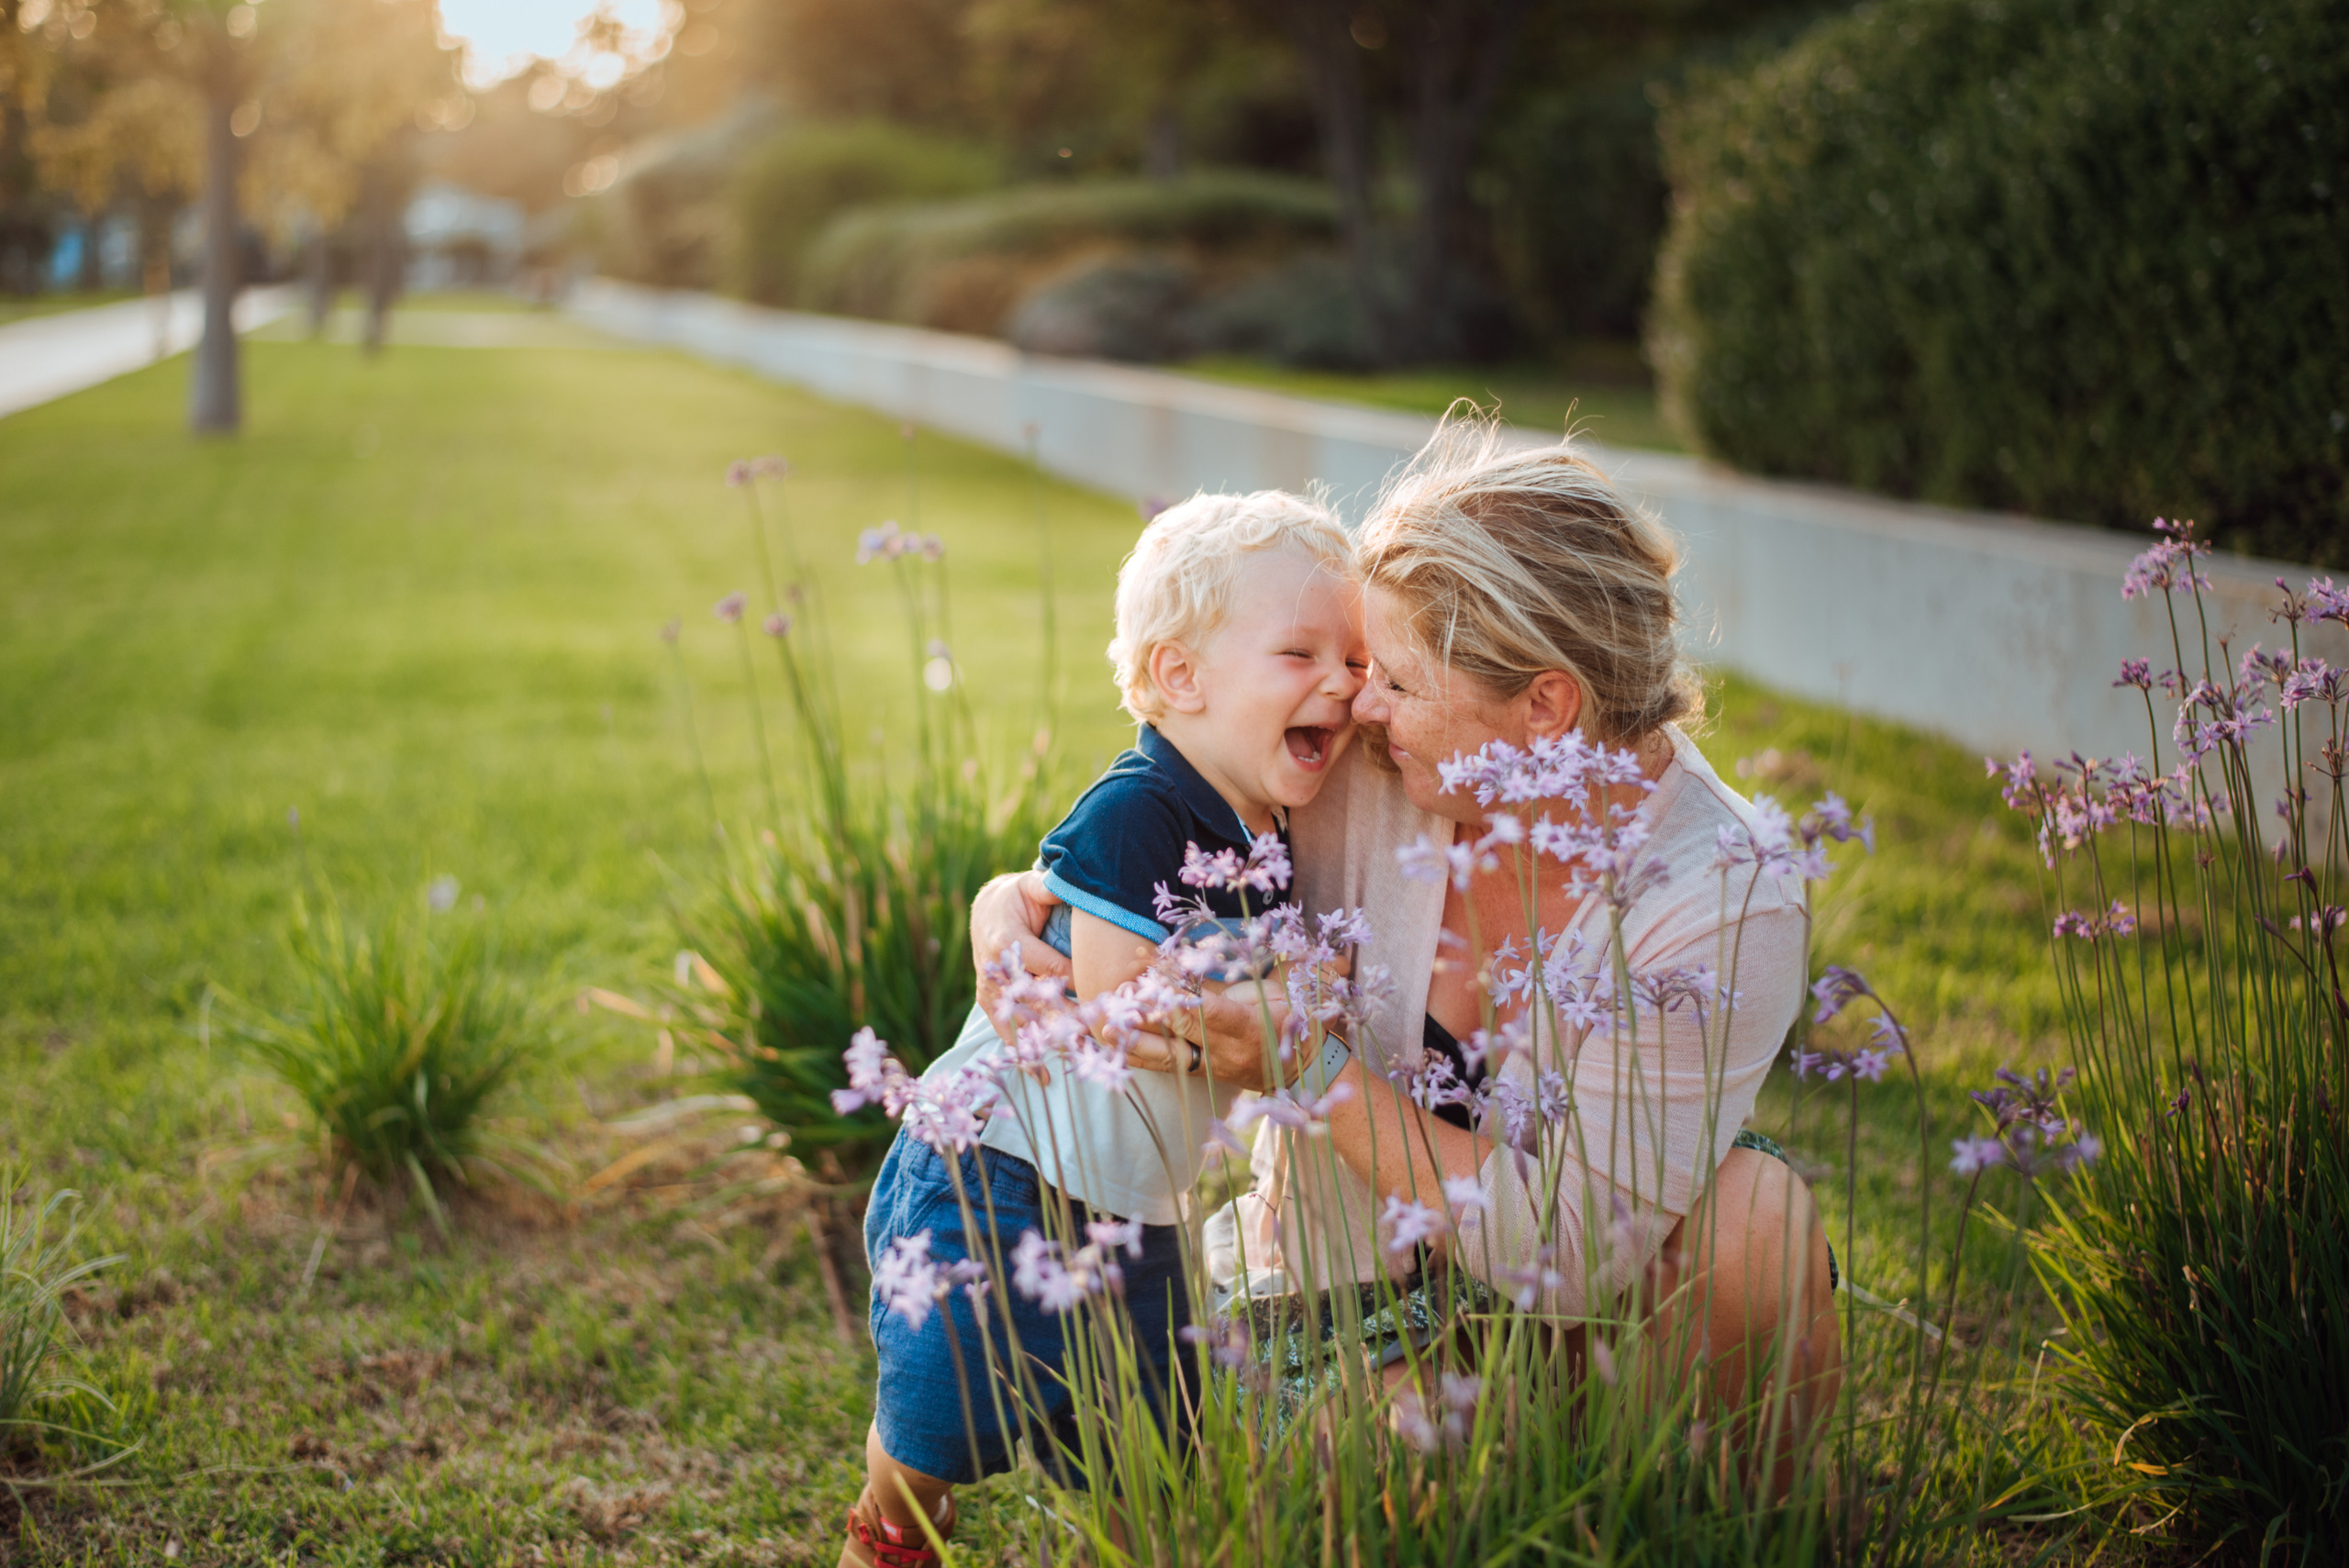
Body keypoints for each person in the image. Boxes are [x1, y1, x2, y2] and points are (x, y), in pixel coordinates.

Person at [969, 417, 1842, 1468]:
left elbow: (1570, 1251)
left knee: (1757, 1220)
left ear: (1547, 708)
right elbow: (1155, 814)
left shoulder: (1724, 894)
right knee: (1417, 1458)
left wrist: (1316, 1070)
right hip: (1339, 1283)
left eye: (1396, 678)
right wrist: (1019, 898)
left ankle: (1705, 1517)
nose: (1356, 699)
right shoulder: (1361, 765)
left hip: (1581, 1305)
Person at [841, 489, 1368, 1568]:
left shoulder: (1270, 815)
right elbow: (1126, 1007)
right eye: (1302, 652)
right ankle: (891, 1535)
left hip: (1135, 1193)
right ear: (1181, 677)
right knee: (940, 1409)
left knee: (1149, 1441)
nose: (1343, 682)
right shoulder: (1144, 806)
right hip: (1000, 1169)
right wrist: (1283, 1001)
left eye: (1355, 660)